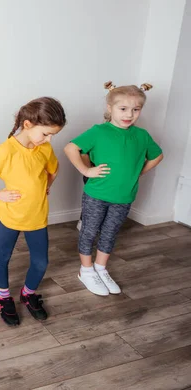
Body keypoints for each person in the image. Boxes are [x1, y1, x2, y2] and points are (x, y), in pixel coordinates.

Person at [0, 97, 66, 326]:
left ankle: (27, 293)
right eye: (46, 133)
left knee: (41, 262)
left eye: (53, 134)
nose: (49, 139)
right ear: (27, 125)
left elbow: (53, 169)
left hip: (37, 216)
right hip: (11, 216)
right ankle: (4, 297)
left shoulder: (44, 148)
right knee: (3, 256)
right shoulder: (6, 151)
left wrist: (46, 186)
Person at [64, 81, 163, 296]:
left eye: (136, 109)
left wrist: (138, 172)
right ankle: (86, 270)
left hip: (124, 197)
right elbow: (71, 148)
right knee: (90, 231)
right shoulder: (99, 131)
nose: (130, 114)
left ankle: (101, 267)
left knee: (110, 232)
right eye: (123, 109)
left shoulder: (142, 136)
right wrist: (86, 170)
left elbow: (157, 155)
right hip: (97, 195)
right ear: (110, 108)